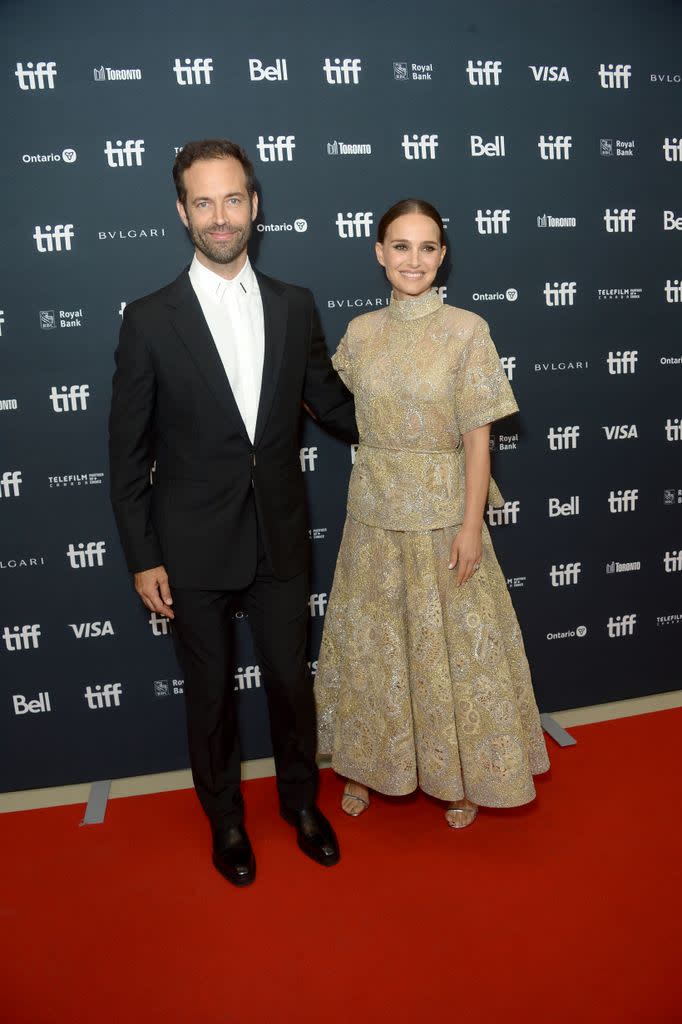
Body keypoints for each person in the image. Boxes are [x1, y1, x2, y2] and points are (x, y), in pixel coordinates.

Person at [109, 139, 357, 886]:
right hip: (189, 547)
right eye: (204, 202)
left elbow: (338, 408)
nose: (222, 217)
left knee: (291, 682)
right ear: (182, 212)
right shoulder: (149, 320)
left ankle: (300, 805)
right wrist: (143, 555)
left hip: (279, 535)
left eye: (234, 199)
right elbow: (126, 454)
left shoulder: (295, 304)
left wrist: (422, 401)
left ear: (256, 206)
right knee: (210, 696)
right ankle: (225, 821)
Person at [314, 198, 550, 828]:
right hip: (372, 515)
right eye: (399, 246)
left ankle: (456, 776)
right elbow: (322, 398)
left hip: (444, 517)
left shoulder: (467, 330)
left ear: (443, 256)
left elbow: (479, 438)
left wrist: (472, 526)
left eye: (426, 248)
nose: (412, 260)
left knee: (448, 653)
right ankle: (366, 764)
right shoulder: (361, 332)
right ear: (379, 252)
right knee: (376, 651)